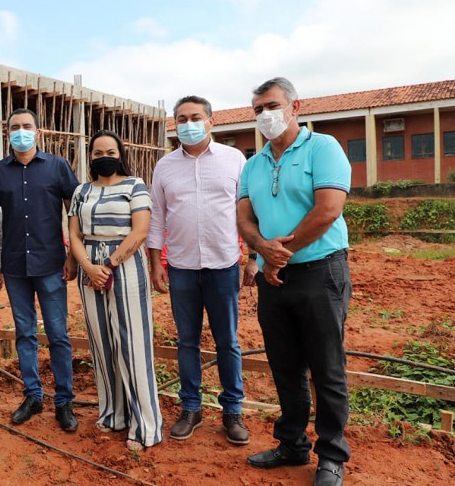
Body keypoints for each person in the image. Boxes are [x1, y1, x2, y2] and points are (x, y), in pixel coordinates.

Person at [237, 77, 351, 486]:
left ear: (295, 107)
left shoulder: (323, 148)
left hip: (320, 271)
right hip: (273, 279)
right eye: (258, 109)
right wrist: (261, 250)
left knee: (326, 367)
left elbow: (328, 209)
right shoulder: (252, 164)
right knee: (284, 365)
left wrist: (278, 255)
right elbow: (244, 218)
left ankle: (331, 455)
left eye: (272, 106)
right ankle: (291, 443)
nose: (265, 115)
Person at [146, 95, 252, 445]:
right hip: (182, 268)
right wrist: (155, 263)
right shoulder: (164, 166)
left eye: (195, 117)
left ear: (211, 121)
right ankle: (191, 408)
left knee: (228, 342)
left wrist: (253, 255)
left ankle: (232, 411)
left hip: (224, 266)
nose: (188, 124)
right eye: (181, 118)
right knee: (187, 341)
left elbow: (246, 211)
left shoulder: (234, 159)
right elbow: (157, 216)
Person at [0, 108, 80, 432]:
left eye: (26, 126)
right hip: (15, 266)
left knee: (58, 334)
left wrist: (72, 254)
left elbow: (73, 210)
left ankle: (64, 401)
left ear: (38, 132)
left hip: (51, 263)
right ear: (7, 133)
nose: (20, 131)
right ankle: (33, 396)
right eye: (14, 127)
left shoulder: (57, 166)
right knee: (24, 333)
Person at [68, 130, 163, 451]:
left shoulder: (135, 185)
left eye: (110, 152)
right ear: (90, 157)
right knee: (102, 343)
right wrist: (88, 266)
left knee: (132, 343)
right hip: (89, 269)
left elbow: (141, 231)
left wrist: (108, 265)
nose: (104, 157)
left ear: (120, 154)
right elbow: (74, 234)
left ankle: (145, 425)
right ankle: (113, 414)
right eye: (98, 153)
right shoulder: (81, 191)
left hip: (125, 266)